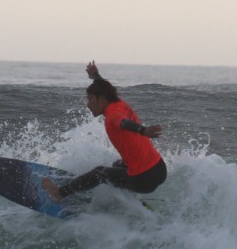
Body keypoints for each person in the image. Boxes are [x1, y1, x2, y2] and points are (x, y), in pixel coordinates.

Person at [42, 61, 167, 203]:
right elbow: (108, 90)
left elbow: (124, 123)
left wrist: (142, 130)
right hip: (159, 169)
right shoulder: (119, 103)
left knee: (99, 173)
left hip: (143, 179)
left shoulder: (112, 115)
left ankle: (60, 193)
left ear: (101, 100)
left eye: (90, 99)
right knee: (118, 165)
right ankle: (129, 200)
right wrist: (95, 76)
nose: (88, 105)